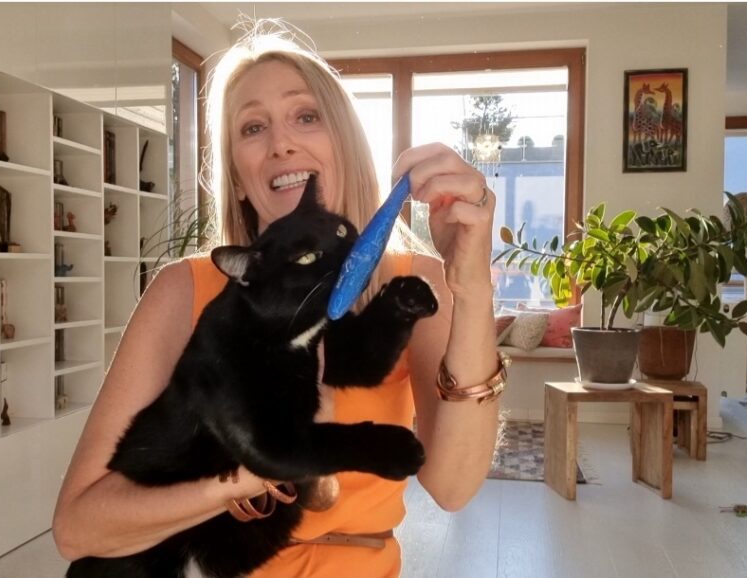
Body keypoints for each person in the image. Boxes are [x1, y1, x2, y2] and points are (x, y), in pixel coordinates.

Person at [53, 19, 504, 577]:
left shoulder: (415, 282)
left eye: (306, 116)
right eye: (253, 127)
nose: (281, 143)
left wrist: (472, 285)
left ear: (345, 142)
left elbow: (454, 487)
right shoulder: (186, 289)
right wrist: (247, 474)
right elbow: (77, 528)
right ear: (238, 177)